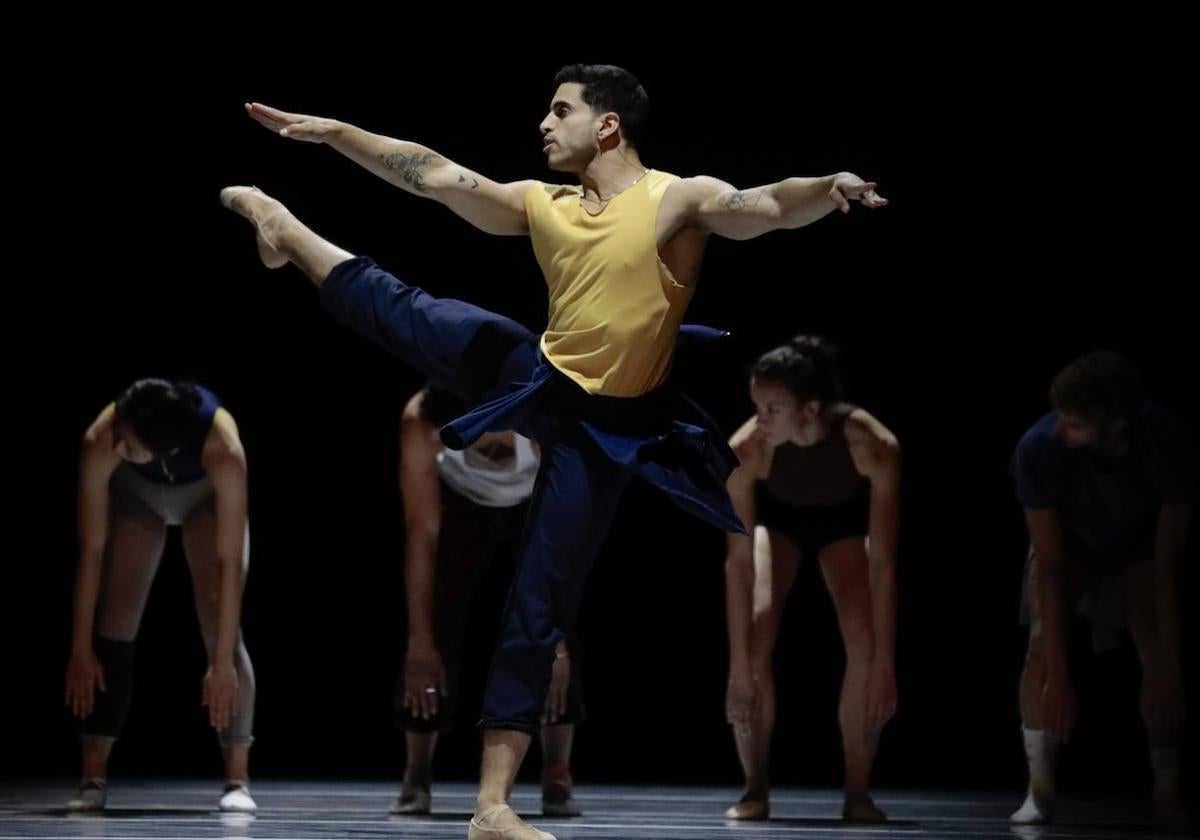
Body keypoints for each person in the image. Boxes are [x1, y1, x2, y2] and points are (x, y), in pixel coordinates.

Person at [228, 62, 885, 840]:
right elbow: (435, 175)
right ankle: (286, 230)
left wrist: (830, 185)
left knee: (540, 602)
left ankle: (490, 806)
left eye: (560, 109)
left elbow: (768, 204)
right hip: (539, 376)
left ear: (606, 125)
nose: (544, 123)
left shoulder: (675, 198)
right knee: (413, 315)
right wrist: (335, 133)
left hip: (608, 429)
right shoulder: (545, 205)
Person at [1010, 351, 1192, 829]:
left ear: (1113, 427)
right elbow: (1049, 565)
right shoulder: (1039, 449)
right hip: (1067, 545)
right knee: (1039, 654)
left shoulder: (1164, 442)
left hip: (1138, 545)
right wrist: (1059, 677)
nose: (1059, 429)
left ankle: (1167, 788)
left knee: (1157, 654)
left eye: (1073, 423)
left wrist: (1169, 670)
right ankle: (1040, 788)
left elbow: (1166, 565)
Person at [723, 336, 899, 822]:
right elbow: (737, 563)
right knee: (757, 632)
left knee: (863, 637)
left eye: (772, 408)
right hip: (776, 522)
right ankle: (754, 787)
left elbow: (883, 559)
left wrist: (885, 659)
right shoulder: (747, 450)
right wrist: (738, 666)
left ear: (809, 409)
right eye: (756, 406)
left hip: (843, 524)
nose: (761, 419)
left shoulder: (872, 444)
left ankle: (858, 791)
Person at [66, 379, 256, 813]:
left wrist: (221, 660)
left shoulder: (223, 448)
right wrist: (80, 646)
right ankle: (92, 774)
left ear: (164, 448)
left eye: (127, 447)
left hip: (203, 498)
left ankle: (237, 776)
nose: (116, 448)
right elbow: (91, 551)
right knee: (113, 622)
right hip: (139, 499)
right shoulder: (103, 437)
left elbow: (230, 565)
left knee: (221, 626)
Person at [393, 385, 582, 818]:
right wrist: (419, 641)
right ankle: (417, 771)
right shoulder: (421, 421)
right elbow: (421, 533)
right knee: (433, 623)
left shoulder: (539, 417)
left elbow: (558, 537)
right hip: (459, 502)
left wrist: (558, 643)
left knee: (556, 633)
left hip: (532, 504)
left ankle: (557, 770)